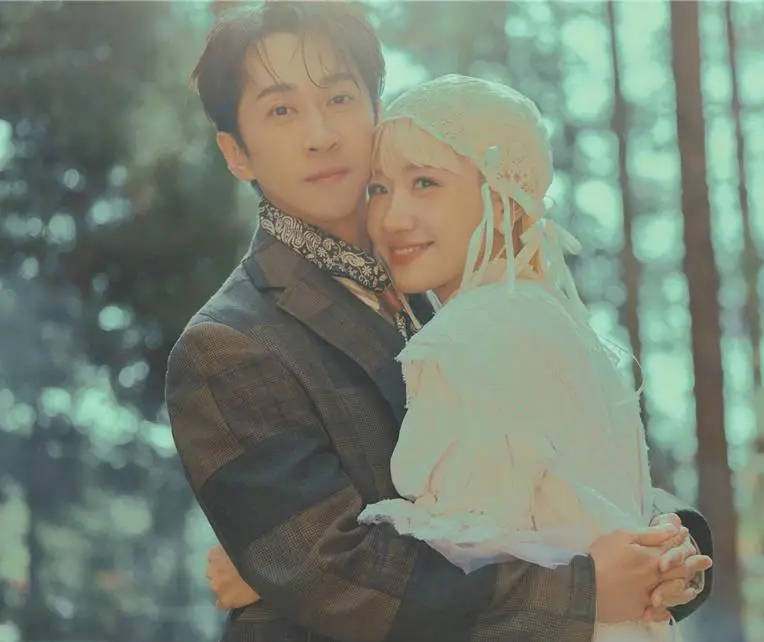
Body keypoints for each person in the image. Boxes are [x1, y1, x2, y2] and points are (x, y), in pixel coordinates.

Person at [168, 4, 710, 641]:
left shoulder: (456, 281)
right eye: (282, 110)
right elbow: (339, 581)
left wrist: (673, 550)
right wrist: (585, 590)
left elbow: (565, 459)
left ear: (376, 109)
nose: (321, 135)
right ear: (236, 152)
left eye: (339, 98)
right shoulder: (227, 345)